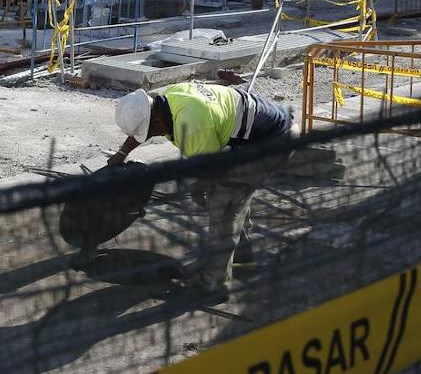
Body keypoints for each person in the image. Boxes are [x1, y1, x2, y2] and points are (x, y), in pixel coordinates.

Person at [108, 81, 292, 302]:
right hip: (261, 133)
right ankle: (242, 258)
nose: (148, 136)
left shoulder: (192, 125)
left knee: (223, 204)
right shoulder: (168, 100)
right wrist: (122, 153)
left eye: (149, 132)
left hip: (273, 142)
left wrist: (197, 189)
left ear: (156, 121)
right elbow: (146, 128)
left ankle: (214, 285)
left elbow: (211, 171)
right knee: (233, 201)